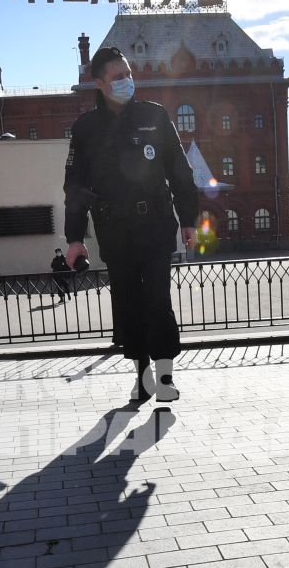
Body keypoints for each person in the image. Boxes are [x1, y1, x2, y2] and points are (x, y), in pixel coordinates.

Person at [64, 45, 200, 404]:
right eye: (118, 77)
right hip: (115, 229)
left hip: (155, 224)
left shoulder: (154, 116)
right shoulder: (86, 129)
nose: (127, 81)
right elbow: (74, 186)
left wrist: (188, 220)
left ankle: (165, 377)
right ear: (100, 83)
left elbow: (180, 172)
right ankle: (141, 378)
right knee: (128, 304)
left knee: (157, 301)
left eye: (128, 74)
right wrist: (74, 237)